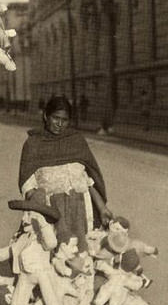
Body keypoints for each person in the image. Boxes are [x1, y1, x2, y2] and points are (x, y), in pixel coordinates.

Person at [18, 94, 112, 257]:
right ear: (46, 116)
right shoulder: (33, 144)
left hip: (81, 210)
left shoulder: (76, 141)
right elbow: (27, 182)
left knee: (82, 257)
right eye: (55, 118)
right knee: (53, 258)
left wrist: (102, 208)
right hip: (50, 213)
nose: (60, 124)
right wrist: (38, 205)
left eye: (65, 120)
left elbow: (88, 181)